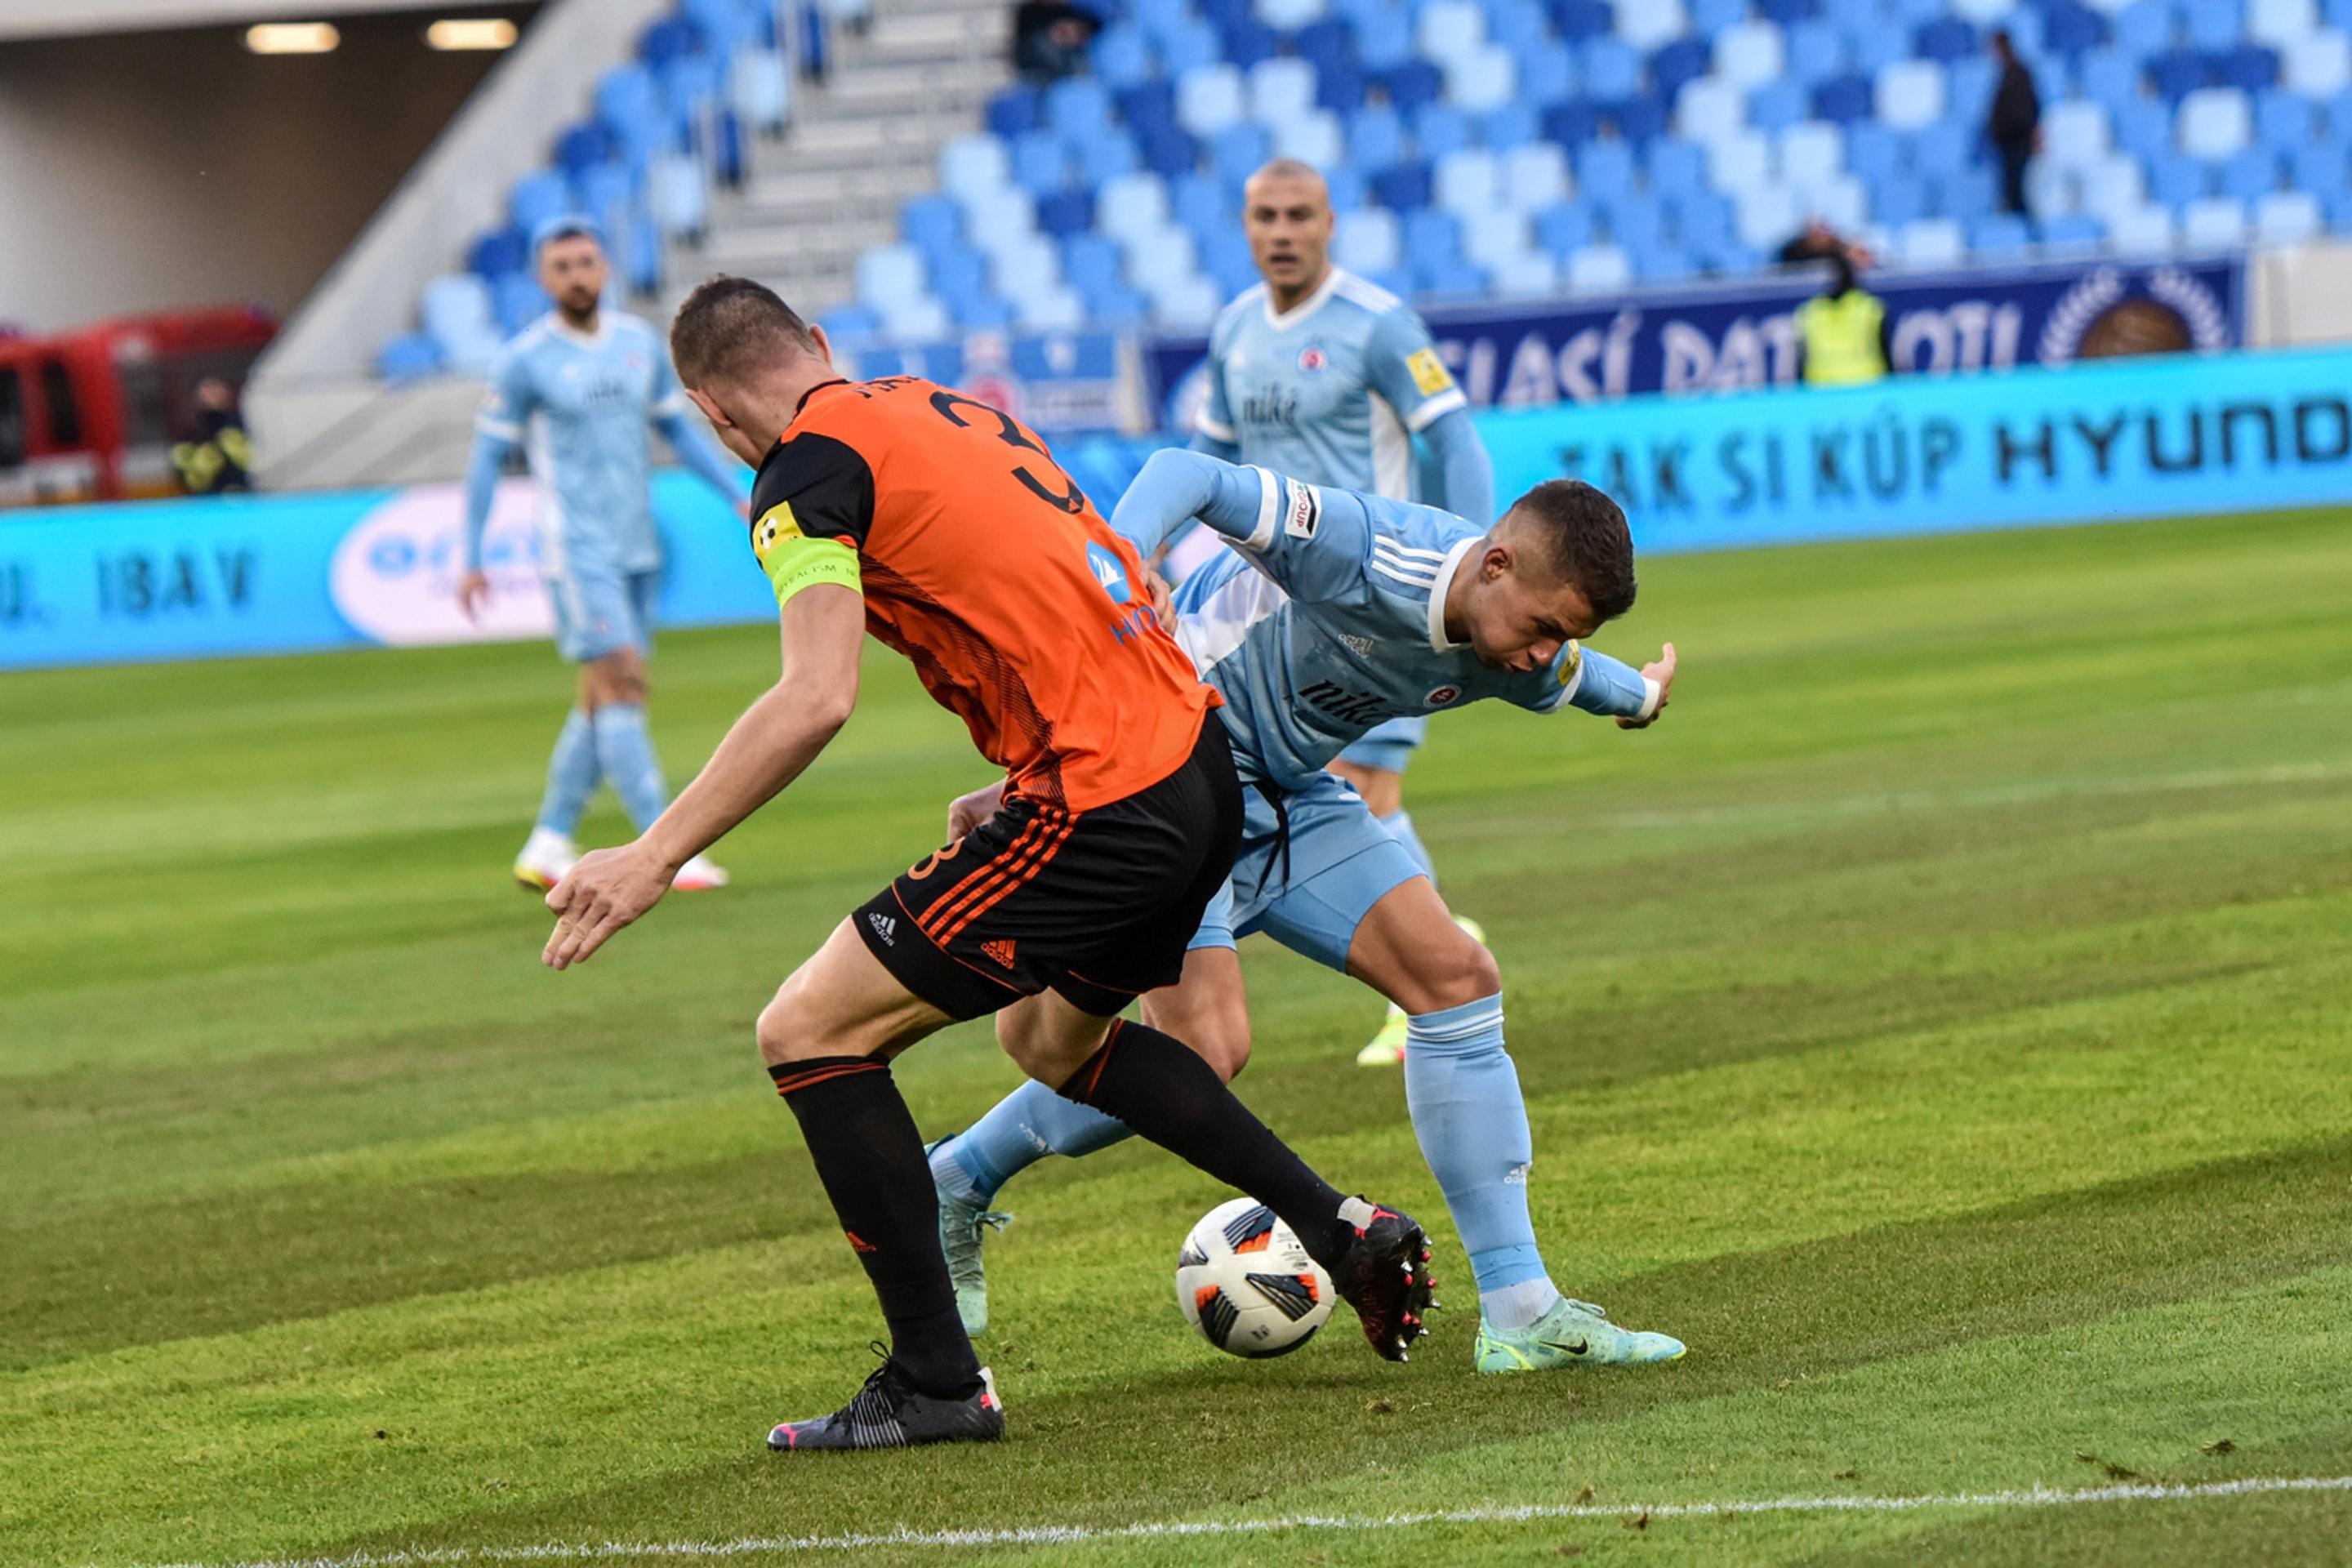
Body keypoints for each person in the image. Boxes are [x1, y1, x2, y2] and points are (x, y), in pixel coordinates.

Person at [540, 277, 1437, 1452]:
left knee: (809, 1032)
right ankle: (1341, 1228)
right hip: (1189, 757)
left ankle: (935, 1381)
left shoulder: (802, 480)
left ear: (710, 414)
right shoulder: (939, 406)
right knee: (1051, 1043)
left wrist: (654, 854)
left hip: (1105, 798)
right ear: (819, 344)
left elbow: (815, 697)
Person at [927, 450, 1689, 1375]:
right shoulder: (1364, 550)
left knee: (1455, 981)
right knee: (1205, 1053)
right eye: (1539, 626)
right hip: (1164, 781)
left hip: (1284, 792)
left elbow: (1577, 675)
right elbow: (1185, 474)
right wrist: (1119, 583)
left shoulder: (1517, 651)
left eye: (1557, 636)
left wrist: (1641, 696)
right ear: (1496, 564)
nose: (1539, 652)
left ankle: (1520, 1309)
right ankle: (958, 1177)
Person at [1192, 157, 1495, 1067]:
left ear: (1331, 224)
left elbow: (1454, 440)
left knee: (1366, 791)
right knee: (1310, 792)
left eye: (1299, 216)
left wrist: (1472, 567)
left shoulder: (1377, 325)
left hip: (1376, 607)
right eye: (1265, 217)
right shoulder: (1234, 331)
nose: (1282, 232)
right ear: (1245, 227)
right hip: (1261, 625)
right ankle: (1437, 951)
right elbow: (1207, 460)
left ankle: (1427, 978)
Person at [461, 216, 744, 894]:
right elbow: (487, 460)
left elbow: (680, 431)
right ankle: (665, 846)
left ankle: (549, 840)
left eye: (586, 262)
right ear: (542, 278)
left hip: (637, 546)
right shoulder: (526, 360)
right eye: (562, 267)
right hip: (576, 548)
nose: (577, 276)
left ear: (606, 267)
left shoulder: (639, 346)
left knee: (601, 700)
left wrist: (736, 495)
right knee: (623, 682)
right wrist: (472, 555)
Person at [1796, 252, 1894, 386]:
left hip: (1820, 387)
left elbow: (1801, 360)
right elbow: (1886, 353)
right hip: (1867, 384)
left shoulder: (1809, 312)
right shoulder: (1871, 308)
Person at [1988, 29, 2041, 219]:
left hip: (2018, 141)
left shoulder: (2018, 74)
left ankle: (2026, 229)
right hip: (2008, 142)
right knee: (2013, 188)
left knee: (2020, 189)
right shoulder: (2007, 74)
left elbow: (2029, 109)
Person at [172, 376, 252, 494]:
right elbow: (184, 472)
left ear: (228, 393)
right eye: (208, 391)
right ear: (197, 397)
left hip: (244, 495)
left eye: (216, 389)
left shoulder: (241, 426)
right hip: (207, 500)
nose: (213, 395)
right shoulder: (190, 434)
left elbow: (257, 462)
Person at [1013, 0, 1099, 82]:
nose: (1071, 33)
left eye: (1080, 35)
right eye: (1078, 28)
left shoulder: (1052, 68)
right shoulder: (1035, 11)